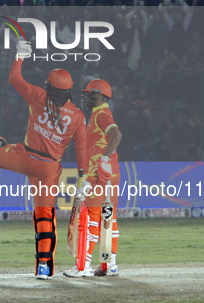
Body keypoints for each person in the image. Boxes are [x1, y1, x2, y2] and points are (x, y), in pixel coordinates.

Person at [0, 40, 88, 280]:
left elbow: (15, 79)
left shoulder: (39, 95)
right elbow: (81, 147)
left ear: (48, 86)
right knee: (44, 216)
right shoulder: (78, 116)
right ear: (69, 91)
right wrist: (83, 175)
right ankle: (44, 267)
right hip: (48, 169)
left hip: (24, 157)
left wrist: (20, 55)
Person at [63, 79, 122, 277]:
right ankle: (109, 264)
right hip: (110, 174)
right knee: (108, 218)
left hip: (100, 176)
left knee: (92, 219)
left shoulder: (101, 115)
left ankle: (83, 266)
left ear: (102, 97)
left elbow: (116, 135)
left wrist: (102, 161)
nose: (87, 97)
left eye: (91, 94)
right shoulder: (100, 114)